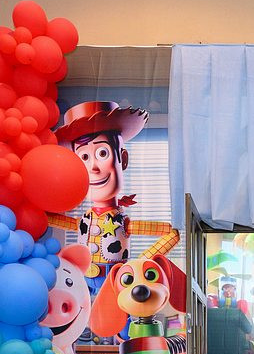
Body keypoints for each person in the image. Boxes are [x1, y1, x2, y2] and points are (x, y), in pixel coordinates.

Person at [47, 101, 179, 294]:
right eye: (84, 157)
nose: (93, 167)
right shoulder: (84, 219)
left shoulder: (122, 222)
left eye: (102, 153)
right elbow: (53, 221)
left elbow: (171, 233)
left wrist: (137, 265)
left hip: (114, 280)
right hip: (82, 279)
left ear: (122, 159)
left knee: (115, 314)